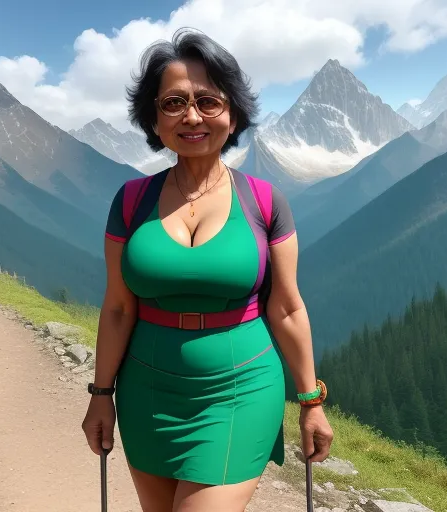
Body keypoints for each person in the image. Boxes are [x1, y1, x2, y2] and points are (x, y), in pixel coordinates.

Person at [81, 27, 333, 512]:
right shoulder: (131, 202)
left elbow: (285, 308)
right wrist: (101, 395)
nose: (192, 116)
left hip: (240, 391)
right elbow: (116, 308)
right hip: (146, 393)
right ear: (153, 119)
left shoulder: (264, 201)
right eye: (173, 102)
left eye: (208, 101)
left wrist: (311, 401)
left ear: (232, 113)